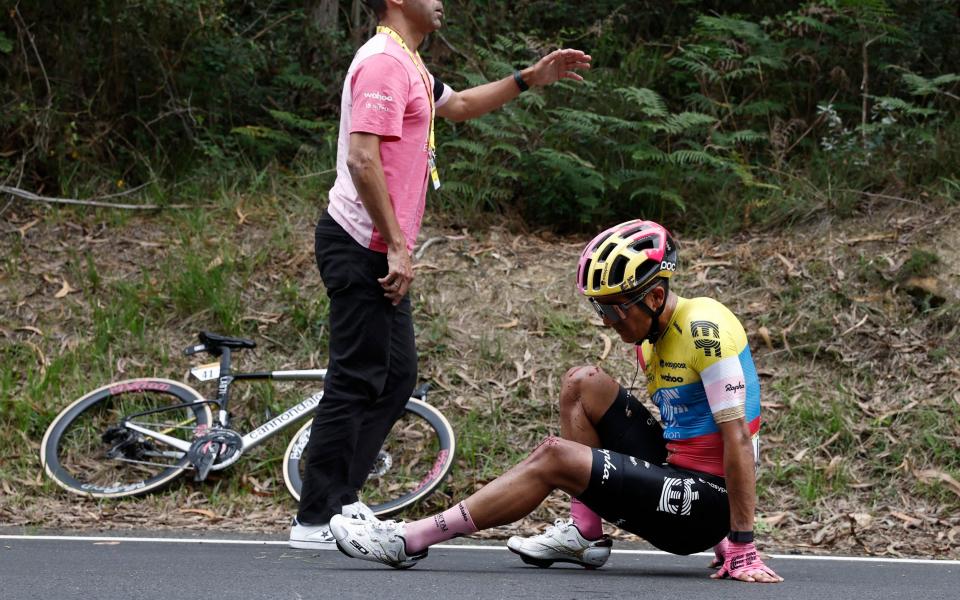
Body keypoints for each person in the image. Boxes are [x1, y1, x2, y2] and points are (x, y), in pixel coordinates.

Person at [289, 0, 592, 549]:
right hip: (361, 242)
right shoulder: (383, 61)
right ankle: (316, 516)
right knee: (357, 376)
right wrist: (398, 247)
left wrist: (531, 78)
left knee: (398, 374)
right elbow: (362, 160)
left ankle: (344, 502)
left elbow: (463, 104)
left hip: (380, 247)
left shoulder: (412, 65)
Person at [329, 219, 783, 583]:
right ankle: (585, 535)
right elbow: (682, 434)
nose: (606, 321)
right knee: (582, 383)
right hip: (681, 479)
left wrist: (739, 544)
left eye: (611, 309)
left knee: (554, 458)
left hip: (708, 503)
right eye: (598, 308)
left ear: (656, 296)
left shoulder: (706, 333)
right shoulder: (650, 336)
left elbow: (738, 441)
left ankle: (408, 540)